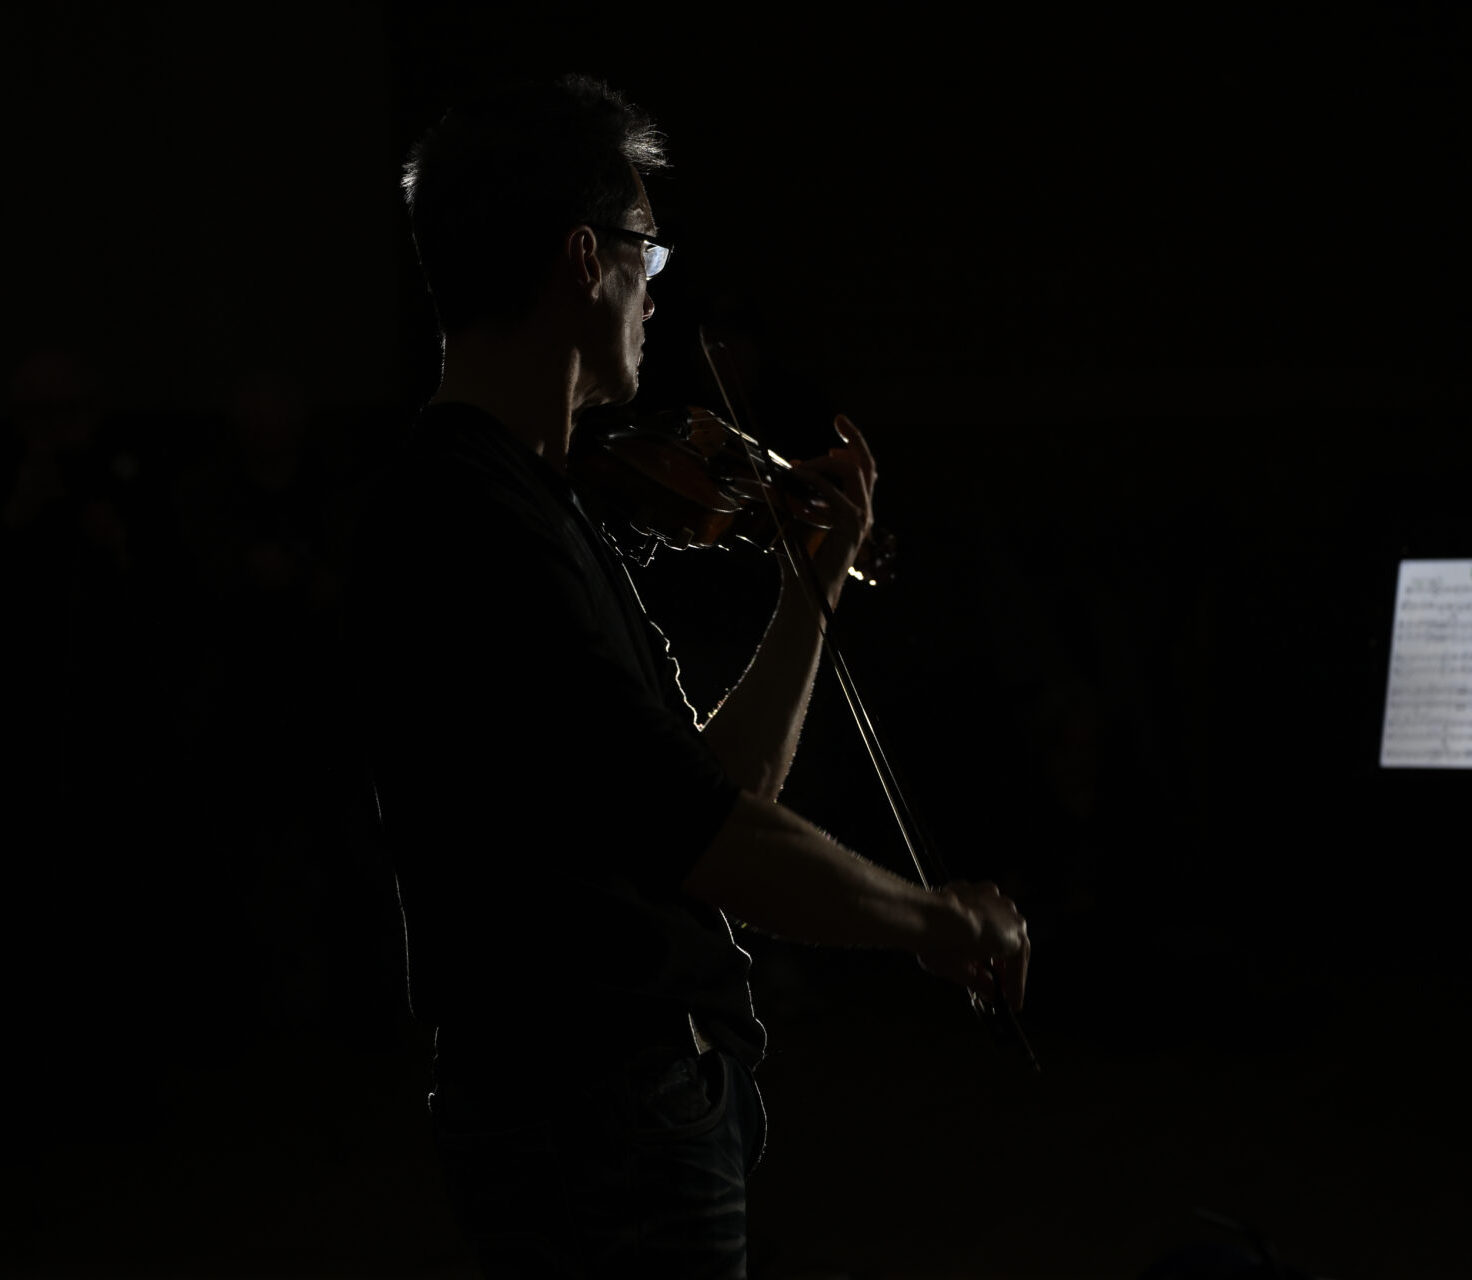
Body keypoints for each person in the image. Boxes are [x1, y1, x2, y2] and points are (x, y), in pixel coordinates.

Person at [344, 74, 1030, 1277]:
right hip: (595, 1114)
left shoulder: (537, 505)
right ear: (584, 260)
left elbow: (717, 789)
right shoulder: (476, 522)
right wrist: (933, 917)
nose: (655, 295)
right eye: (647, 257)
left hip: (623, 1107)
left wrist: (810, 585)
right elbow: (704, 836)